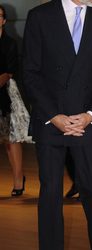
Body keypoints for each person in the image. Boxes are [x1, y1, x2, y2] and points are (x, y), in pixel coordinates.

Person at [22, 0, 92, 249]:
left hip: (89, 120)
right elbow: (30, 72)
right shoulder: (39, 16)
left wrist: (91, 114)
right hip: (50, 120)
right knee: (51, 194)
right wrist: (53, 115)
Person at [0, 4, 31, 196]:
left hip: (7, 94)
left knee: (11, 139)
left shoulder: (10, 42)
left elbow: (9, 72)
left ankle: (19, 180)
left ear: (3, 20)